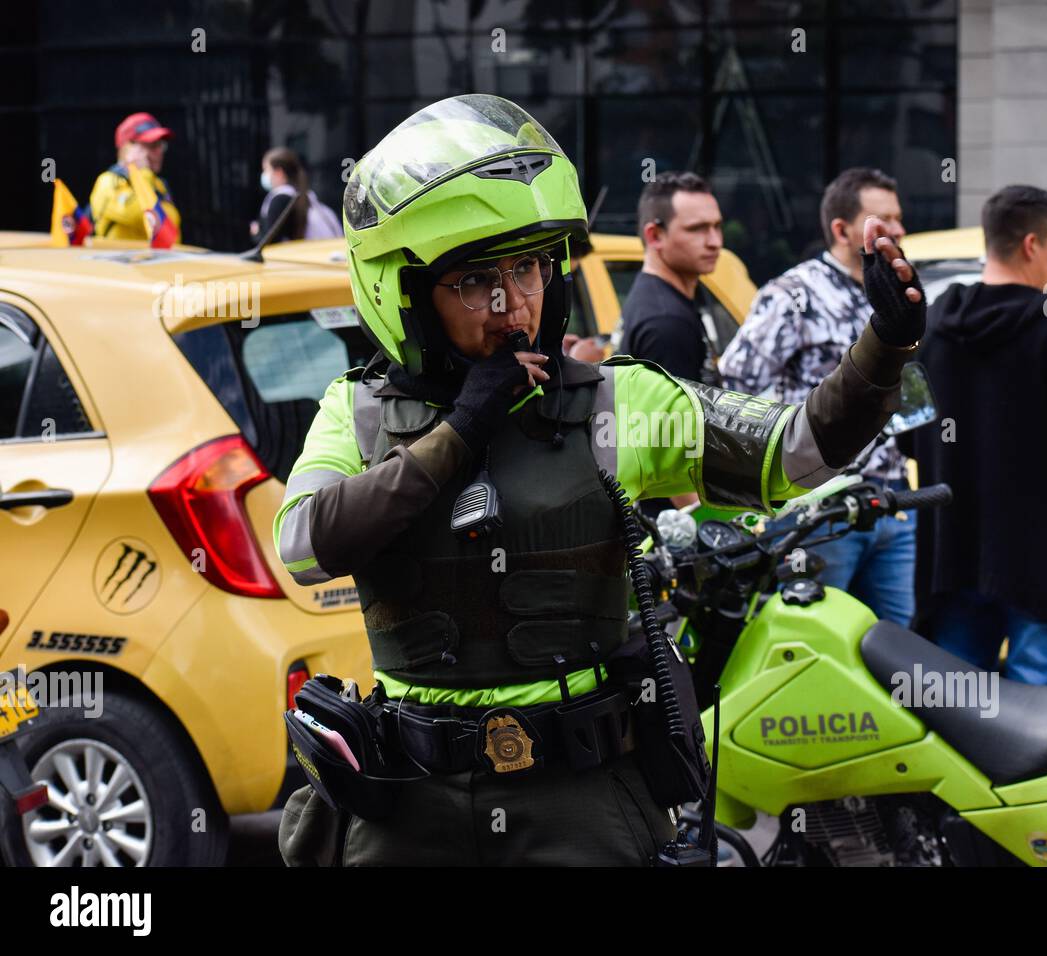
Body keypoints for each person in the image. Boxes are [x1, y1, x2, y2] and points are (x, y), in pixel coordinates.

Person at [272, 94, 927, 867]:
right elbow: (305, 546)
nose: (512, 305)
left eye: (526, 269)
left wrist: (881, 350)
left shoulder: (616, 399)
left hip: (581, 804)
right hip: (409, 806)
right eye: (475, 281)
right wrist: (460, 434)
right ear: (403, 295)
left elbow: (795, 453)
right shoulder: (360, 413)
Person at [900, 185, 1047, 686]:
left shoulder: (932, 328)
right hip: (1041, 559)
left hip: (952, 553)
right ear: (1033, 244)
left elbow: (909, 437)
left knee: (962, 718)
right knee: (1038, 723)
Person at [719, 167, 916, 625]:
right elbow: (736, 380)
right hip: (821, 510)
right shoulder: (792, 294)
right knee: (818, 637)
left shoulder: (894, 290)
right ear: (841, 229)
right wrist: (779, 470)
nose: (900, 230)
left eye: (899, 218)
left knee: (898, 646)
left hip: (891, 499)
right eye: (883, 220)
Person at [619, 171, 726, 513]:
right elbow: (669, 445)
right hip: (669, 528)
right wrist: (708, 525)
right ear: (655, 235)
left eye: (717, 226)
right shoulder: (666, 321)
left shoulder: (661, 300)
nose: (714, 241)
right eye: (697, 229)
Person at [89, 112, 181, 242]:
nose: (159, 151)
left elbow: (171, 225)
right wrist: (142, 172)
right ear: (127, 148)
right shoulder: (108, 181)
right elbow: (142, 215)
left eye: (161, 145)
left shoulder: (158, 183)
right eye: (153, 145)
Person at [251, 146, 343, 243]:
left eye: (266, 170)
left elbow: (270, 242)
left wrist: (256, 233)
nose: (264, 175)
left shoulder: (280, 199)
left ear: (279, 173)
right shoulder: (308, 196)